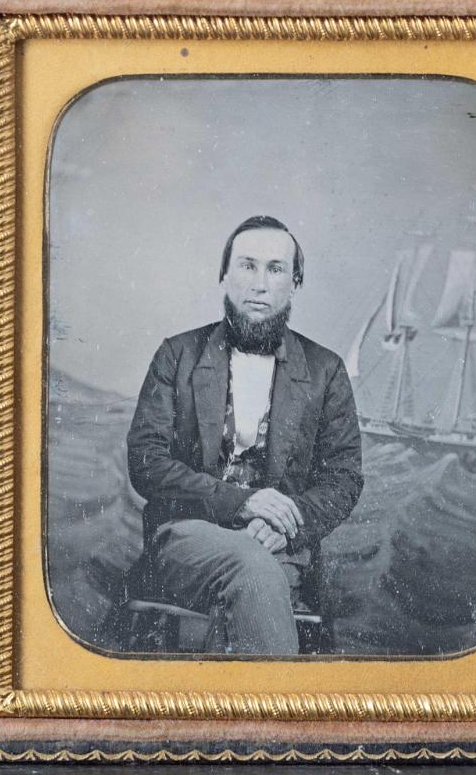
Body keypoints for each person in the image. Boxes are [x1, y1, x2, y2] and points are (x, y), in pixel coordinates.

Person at [127, 216, 363, 655]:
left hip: (281, 546)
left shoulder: (325, 369)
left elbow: (344, 479)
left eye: (275, 269)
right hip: (186, 539)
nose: (259, 284)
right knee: (254, 571)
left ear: (295, 284)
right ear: (224, 275)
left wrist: (289, 527)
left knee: (261, 576)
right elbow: (147, 463)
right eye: (247, 266)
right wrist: (243, 503)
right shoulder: (178, 355)